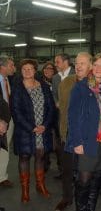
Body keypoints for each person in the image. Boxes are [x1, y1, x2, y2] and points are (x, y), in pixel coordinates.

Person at [65, 53, 101, 211]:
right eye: (96, 65)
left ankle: (90, 208)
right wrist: (77, 142)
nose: (99, 68)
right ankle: (81, 208)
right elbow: (72, 117)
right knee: (84, 179)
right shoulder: (81, 87)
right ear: (92, 67)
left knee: (97, 178)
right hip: (86, 141)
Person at [10, 59, 55, 203]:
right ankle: (25, 190)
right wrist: (32, 127)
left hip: (42, 130)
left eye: (30, 69)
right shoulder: (17, 88)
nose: (27, 71)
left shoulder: (44, 86)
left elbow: (51, 108)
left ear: (35, 71)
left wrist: (44, 125)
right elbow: (16, 112)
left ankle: (40, 185)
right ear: (20, 71)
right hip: (25, 131)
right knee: (24, 157)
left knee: (40, 156)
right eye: (24, 69)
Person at [54, 52, 92, 211]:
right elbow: (62, 111)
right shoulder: (65, 83)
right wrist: (63, 134)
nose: (78, 66)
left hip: (88, 138)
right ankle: (67, 197)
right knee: (67, 170)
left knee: (85, 173)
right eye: (77, 63)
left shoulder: (96, 83)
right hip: (68, 135)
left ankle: (84, 200)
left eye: (83, 63)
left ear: (90, 65)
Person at [52, 53, 75, 179]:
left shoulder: (76, 74)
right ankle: (63, 171)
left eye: (57, 61)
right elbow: (54, 93)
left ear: (66, 62)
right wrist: (56, 101)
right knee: (61, 145)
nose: (55, 64)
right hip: (60, 117)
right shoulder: (55, 78)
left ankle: (74, 171)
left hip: (73, 116)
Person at [0, 56, 15, 187]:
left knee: (5, 149)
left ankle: (2, 177)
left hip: (8, 121)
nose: (13, 68)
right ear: (3, 66)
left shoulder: (8, 80)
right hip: (0, 121)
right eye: (11, 65)